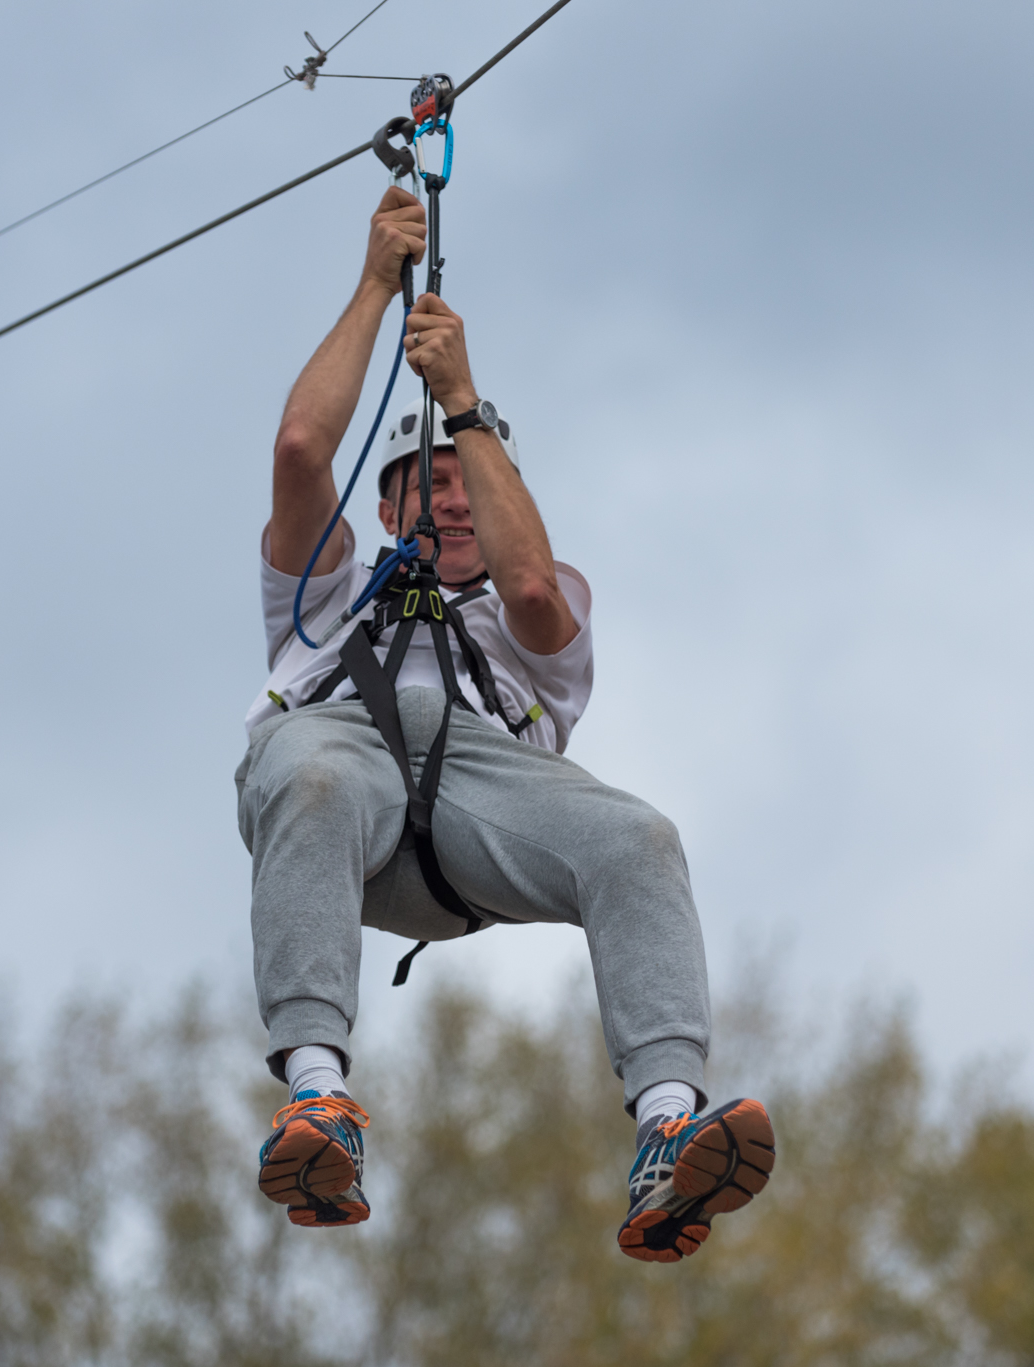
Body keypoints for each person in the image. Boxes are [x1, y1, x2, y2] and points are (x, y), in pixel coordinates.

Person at [234, 185, 774, 1262]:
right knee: (312, 771)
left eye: (466, 485)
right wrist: (376, 284)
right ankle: (316, 1096)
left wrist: (465, 403)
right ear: (384, 507)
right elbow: (299, 449)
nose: (447, 502)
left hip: (478, 810)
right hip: (340, 780)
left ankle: (667, 1127)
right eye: (422, 483)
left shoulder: (537, 630)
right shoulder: (325, 597)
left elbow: (527, 584)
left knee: (638, 838)